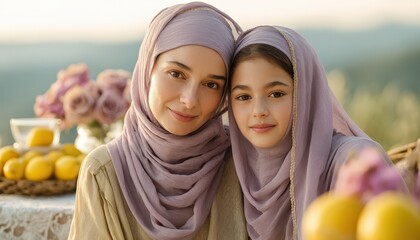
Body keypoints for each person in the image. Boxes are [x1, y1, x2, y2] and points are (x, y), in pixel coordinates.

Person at [68, 2, 248, 240]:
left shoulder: (240, 162)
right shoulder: (104, 171)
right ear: (147, 68)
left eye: (211, 84)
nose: (189, 100)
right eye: (176, 74)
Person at [228, 25, 407, 240]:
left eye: (276, 94)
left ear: (306, 92)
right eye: (243, 97)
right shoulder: (232, 169)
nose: (258, 111)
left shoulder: (353, 164)